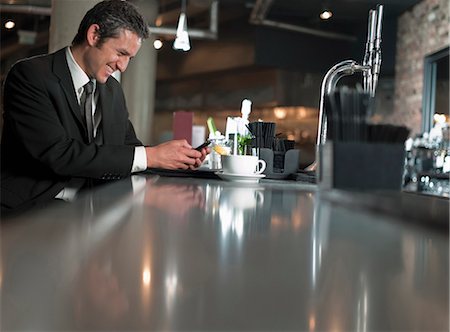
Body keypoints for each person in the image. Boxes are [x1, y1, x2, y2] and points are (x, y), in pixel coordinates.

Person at [1, 0, 209, 215]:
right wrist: (151, 156)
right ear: (94, 35)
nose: (123, 66)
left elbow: (128, 150)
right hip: (31, 210)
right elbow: (58, 154)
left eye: (130, 58)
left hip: (89, 209)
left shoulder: (112, 90)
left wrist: (175, 159)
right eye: (120, 53)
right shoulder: (31, 75)